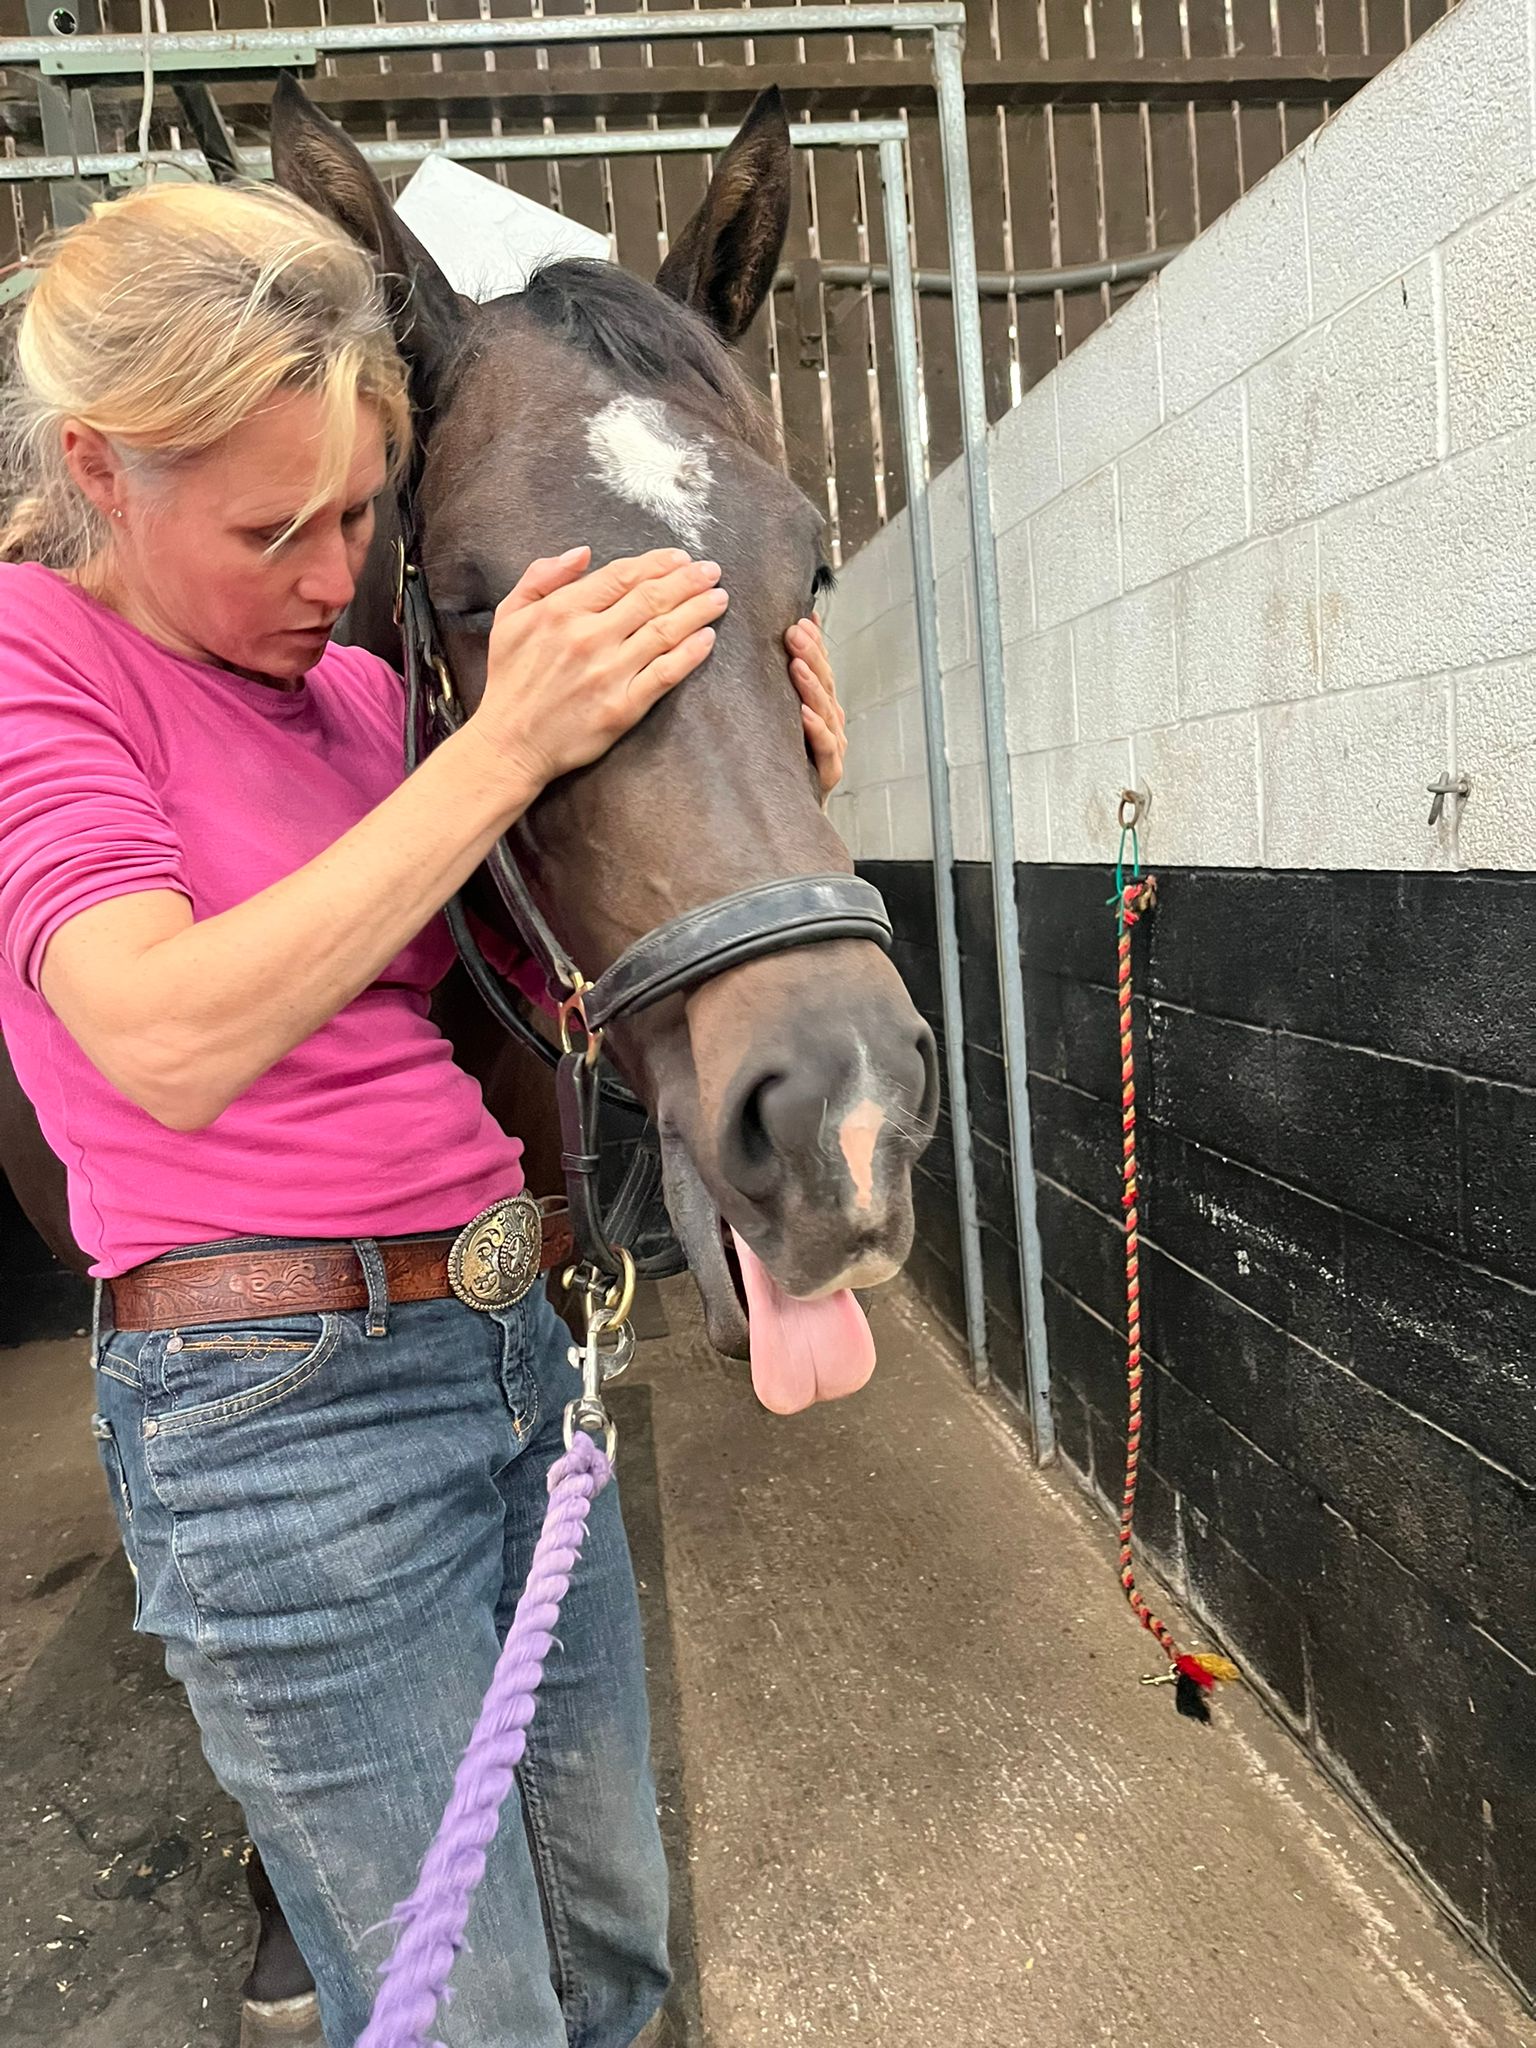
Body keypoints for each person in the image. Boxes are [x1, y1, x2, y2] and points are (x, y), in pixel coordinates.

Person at [0, 179, 846, 2047]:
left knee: (620, 1940)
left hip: (506, 1351)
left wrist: (746, 780)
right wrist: (503, 750)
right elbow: (154, 1033)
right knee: (477, 2014)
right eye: (275, 526)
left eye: (366, 512)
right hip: (277, 1427)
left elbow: (534, 963)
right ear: (100, 474)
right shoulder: (35, 662)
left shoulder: (364, 689)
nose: (334, 571)